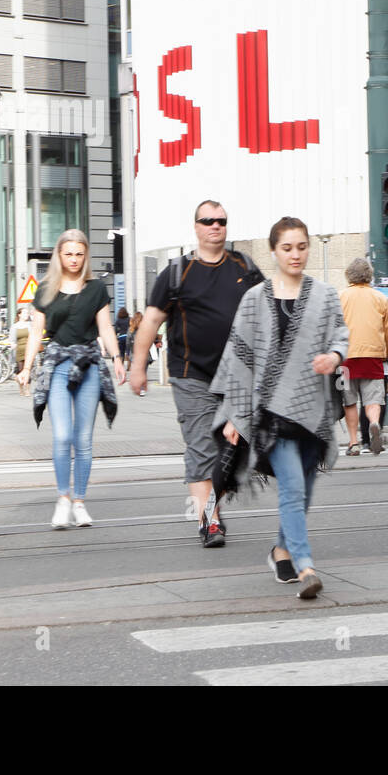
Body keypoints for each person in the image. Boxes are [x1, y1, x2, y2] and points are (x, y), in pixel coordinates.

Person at [212, 217, 347, 600]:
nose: (295, 254)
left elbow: (341, 333)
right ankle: (306, 566)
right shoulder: (255, 299)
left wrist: (334, 356)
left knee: (304, 491)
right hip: (271, 415)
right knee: (290, 489)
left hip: (313, 411)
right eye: (287, 248)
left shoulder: (323, 295)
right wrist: (235, 416)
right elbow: (240, 358)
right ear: (273, 251)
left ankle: (280, 550)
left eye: (301, 247)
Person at [130, 200, 264, 549]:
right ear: (196, 227)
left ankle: (212, 504)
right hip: (192, 375)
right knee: (202, 448)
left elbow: (266, 316)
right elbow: (152, 322)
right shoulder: (176, 273)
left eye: (221, 221)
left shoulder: (245, 267)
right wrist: (138, 366)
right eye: (208, 221)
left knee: (232, 452)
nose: (215, 226)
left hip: (237, 379)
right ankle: (210, 522)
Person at [18, 230, 125, 529]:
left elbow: (105, 327)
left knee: (84, 439)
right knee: (62, 436)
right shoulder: (46, 289)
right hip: (58, 365)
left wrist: (116, 358)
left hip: (89, 366)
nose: (74, 259)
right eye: (69, 253)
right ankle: (63, 499)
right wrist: (26, 368)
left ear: (85, 255)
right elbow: (36, 333)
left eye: (79, 254)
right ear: (59, 255)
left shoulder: (96, 289)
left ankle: (79, 501)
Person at [338, 257, 388, 456]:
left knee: (349, 401)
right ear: (369, 275)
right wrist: (386, 352)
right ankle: (374, 424)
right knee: (373, 400)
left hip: (345, 359)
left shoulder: (340, 296)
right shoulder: (381, 298)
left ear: (349, 275)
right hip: (373, 356)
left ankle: (353, 443)